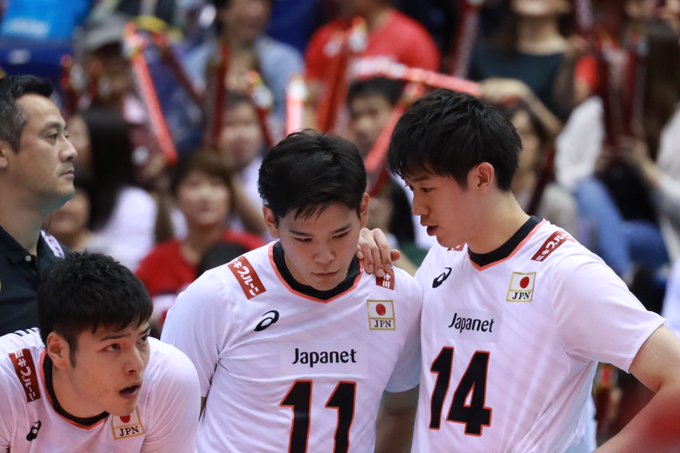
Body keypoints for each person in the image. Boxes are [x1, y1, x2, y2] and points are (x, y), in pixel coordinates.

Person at [362, 89, 680, 451]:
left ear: (482, 177)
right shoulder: (441, 259)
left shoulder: (566, 273)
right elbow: (388, 347)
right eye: (412, 189)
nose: (417, 207)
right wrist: (358, 260)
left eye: (427, 189)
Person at [161, 130, 423, 452]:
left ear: (364, 210)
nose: (324, 256)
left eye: (340, 234)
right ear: (271, 221)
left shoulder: (399, 296)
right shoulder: (216, 297)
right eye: (304, 239)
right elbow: (165, 422)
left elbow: (401, 409)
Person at [0, 252, 200, 451]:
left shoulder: (167, 378)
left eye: (142, 339)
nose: (137, 365)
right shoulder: (6, 382)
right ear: (58, 350)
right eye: (114, 347)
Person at [136, 150, 264, 332]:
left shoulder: (254, 253)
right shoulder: (154, 263)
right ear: (175, 195)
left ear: (231, 195)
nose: (205, 195)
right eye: (194, 184)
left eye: (215, 184)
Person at [0, 74, 75, 336]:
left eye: (67, 135)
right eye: (52, 136)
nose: (70, 150)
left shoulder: (68, 265)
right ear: (2, 153)